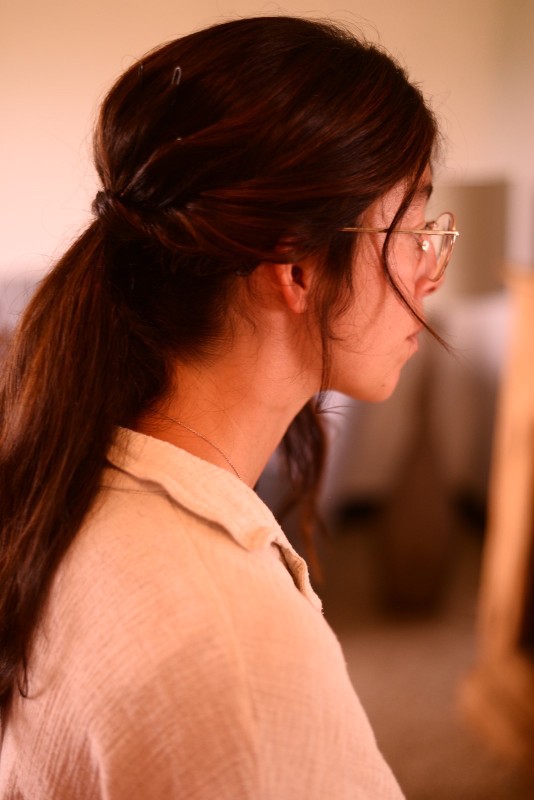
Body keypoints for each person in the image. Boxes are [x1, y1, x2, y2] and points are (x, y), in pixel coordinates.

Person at [0, 15, 458, 799]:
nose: (432, 271)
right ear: (297, 268)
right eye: (414, 227)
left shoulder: (80, 474)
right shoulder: (233, 661)